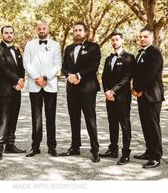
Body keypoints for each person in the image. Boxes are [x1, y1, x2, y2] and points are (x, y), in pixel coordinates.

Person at [61, 22, 101, 162]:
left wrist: (78, 75)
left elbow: (93, 67)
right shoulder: (69, 48)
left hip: (87, 89)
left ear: (86, 32)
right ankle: (75, 147)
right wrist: (69, 76)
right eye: (75, 30)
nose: (77, 32)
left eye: (80, 30)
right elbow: (64, 67)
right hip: (72, 89)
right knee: (74, 119)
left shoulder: (93, 47)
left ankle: (95, 150)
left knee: (90, 119)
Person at [23, 21, 62, 157]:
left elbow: (57, 65)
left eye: (44, 28)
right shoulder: (29, 44)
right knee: (36, 117)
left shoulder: (55, 45)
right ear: (36, 30)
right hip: (34, 85)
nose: (41, 30)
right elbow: (26, 63)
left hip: (50, 85)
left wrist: (45, 78)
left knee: (51, 117)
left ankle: (52, 146)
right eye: (39, 28)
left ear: (48, 29)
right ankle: (35, 146)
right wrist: (36, 78)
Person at [100, 31, 135, 164]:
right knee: (112, 124)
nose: (114, 42)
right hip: (110, 98)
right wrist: (107, 92)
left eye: (117, 40)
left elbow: (127, 78)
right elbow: (104, 77)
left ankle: (125, 153)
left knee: (125, 125)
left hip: (122, 98)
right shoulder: (109, 59)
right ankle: (113, 150)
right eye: (113, 40)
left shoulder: (129, 57)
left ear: (122, 41)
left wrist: (113, 91)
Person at [0, 25, 25, 160]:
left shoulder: (16, 50)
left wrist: (21, 80)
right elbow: (2, 69)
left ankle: (10, 145)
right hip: (3, 91)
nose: (9, 35)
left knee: (13, 118)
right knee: (4, 120)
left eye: (11, 33)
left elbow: (21, 67)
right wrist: (17, 80)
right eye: (6, 33)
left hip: (16, 91)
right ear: (2, 35)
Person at [132, 28, 164, 169]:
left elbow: (150, 75)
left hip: (152, 95)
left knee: (153, 126)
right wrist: (135, 89)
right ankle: (149, 151)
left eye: (145, 36)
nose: (142, 39)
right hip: (143, 95)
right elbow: (137, 74)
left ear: (151, 38)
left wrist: (138, 90)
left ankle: (156, 156)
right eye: (140, 37)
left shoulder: (155, 53)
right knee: (145, 125)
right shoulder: (140, 53)